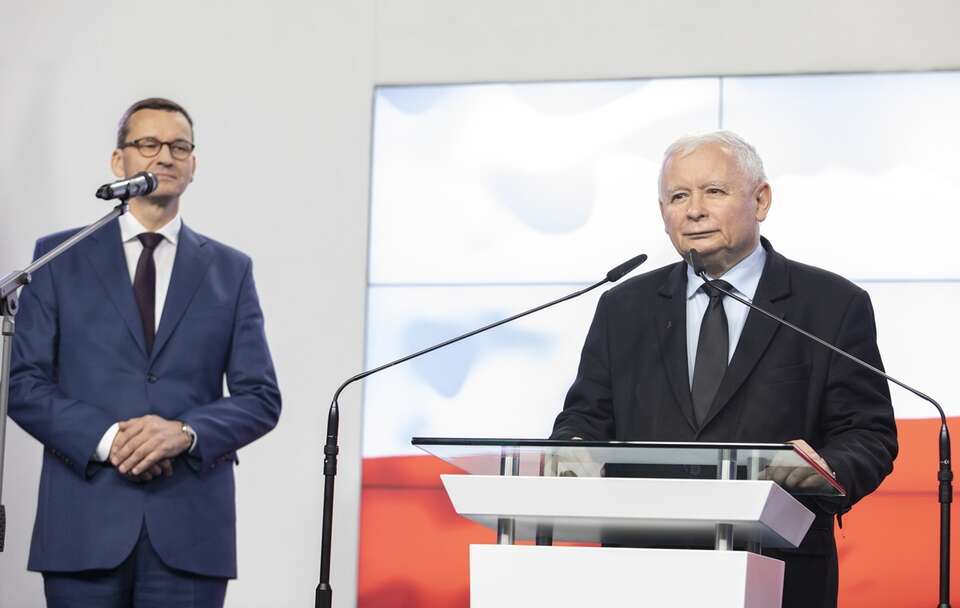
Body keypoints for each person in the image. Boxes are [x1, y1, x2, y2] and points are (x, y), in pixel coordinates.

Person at [551, 131, 897, 608]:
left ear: (761, 200)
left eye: (713, 191)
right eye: (678, 196)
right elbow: (585, 418)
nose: (694, 210)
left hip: (780, 569)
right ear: (662, 214)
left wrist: (822, 468)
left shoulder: (831, 305)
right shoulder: (624, 307)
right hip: (641, 573)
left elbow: (868, 435)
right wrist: (572, 450)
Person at [8, 97, 282, 607]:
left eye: (180, 147)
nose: (165, 156)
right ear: (120, 162)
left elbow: (260, 397)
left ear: (194, 165)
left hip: (191, 530)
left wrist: (183, 433)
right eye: (148, 144)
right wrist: (109, 440)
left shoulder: (229, 270)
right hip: (82, 525)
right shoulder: (58, 257)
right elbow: (22, 385)